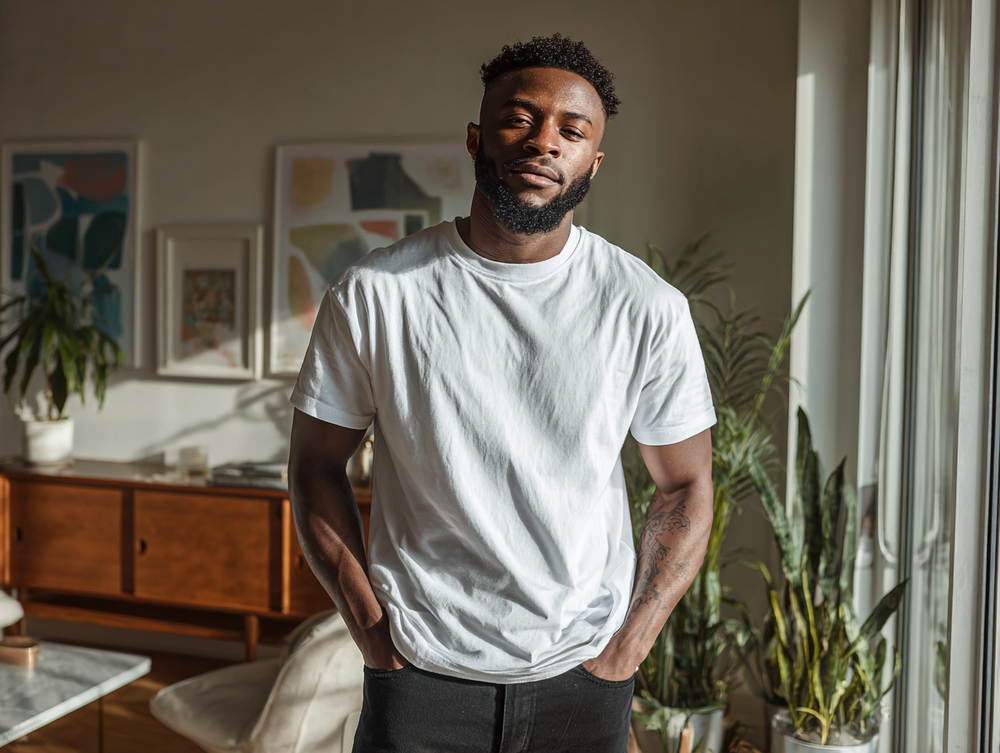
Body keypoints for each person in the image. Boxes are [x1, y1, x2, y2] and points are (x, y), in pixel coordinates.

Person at [288, 33, 715, 753]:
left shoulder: (645, 307)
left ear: (593, 162)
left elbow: (686, 485)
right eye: (520, 118)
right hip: (419, 676)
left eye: (572, 131)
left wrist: (625, 652)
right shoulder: (376, 294)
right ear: (476, 137)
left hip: (583, 680)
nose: (544, 142)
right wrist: (371, 632)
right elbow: (313, 466)